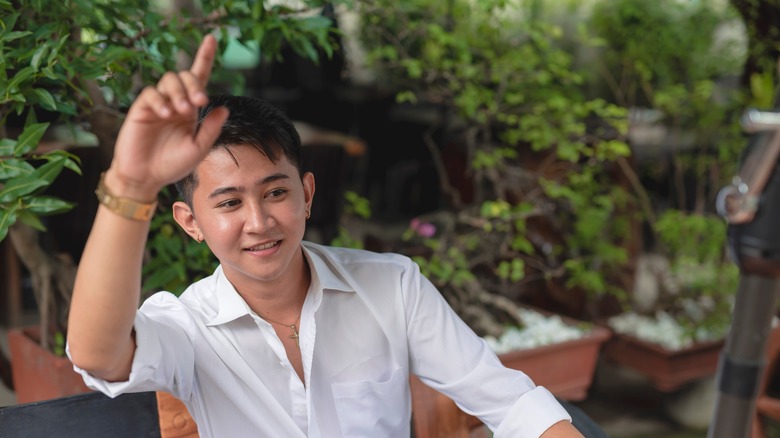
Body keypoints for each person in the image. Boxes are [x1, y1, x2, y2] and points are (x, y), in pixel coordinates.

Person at [66, 34, 585, 438]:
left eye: (275, 193)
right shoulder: (186, 326)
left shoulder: (393, 287)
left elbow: (509, 401)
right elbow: (96, 354)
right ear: (190, 222)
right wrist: (131, 185)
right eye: (228, 202)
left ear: (307, 194)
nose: (259, 221)